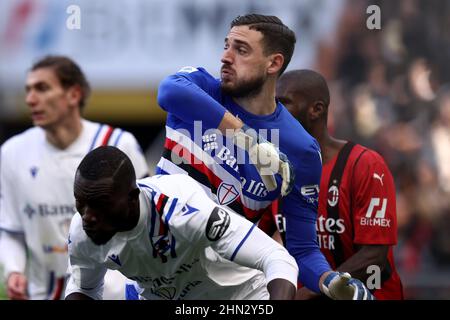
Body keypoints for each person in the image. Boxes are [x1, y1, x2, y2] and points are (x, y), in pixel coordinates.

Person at [155, 14, 373, 299]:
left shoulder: (300, 150)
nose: (225, 57)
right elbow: (168, 92)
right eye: (226, 45)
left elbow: (303, 250)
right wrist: (249, 141)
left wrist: (329, 280)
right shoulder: (200, 88)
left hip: (224, 285)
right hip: (154, 267)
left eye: (241, 50)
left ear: (274, 63)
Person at [0, 56, 149, 300]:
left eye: (42, 88)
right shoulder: (12, 152)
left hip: (110, 293)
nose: (30, 99)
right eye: (28, 90)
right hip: (43, 293)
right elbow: (11, 229)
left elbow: (146, 221)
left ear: (73, 94)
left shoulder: (118, 144)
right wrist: (14, 270)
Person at [64, 146, 299, 300]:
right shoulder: (83, 231)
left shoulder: (183, 210)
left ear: (132, 198)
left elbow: (276, 258)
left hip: (240, 296)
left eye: (100, 204)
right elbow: (84, 289)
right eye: (80, 203)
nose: (88, 217)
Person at [276, 69, 403, 299]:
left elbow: (374, 258)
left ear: (317, 109)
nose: (275, 111)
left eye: (284, 103)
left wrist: (313, 291)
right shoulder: (275, 169)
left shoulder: (366, 166)